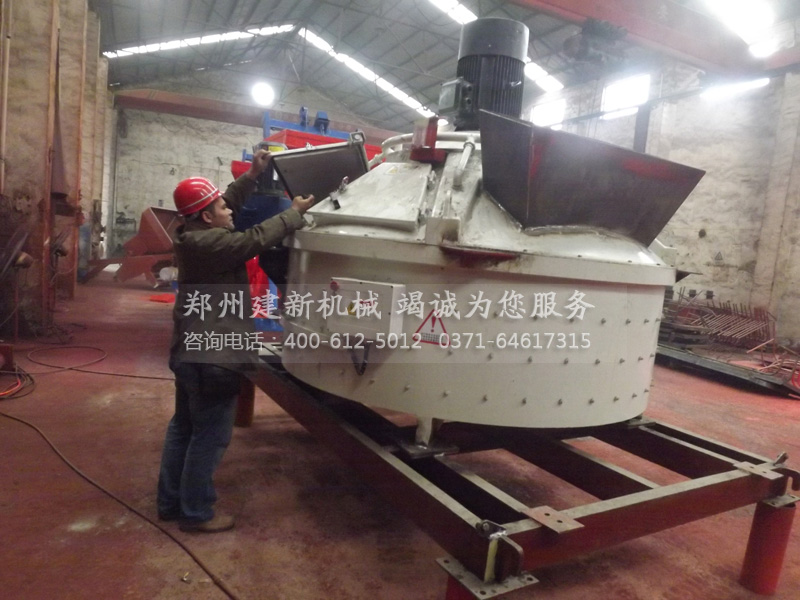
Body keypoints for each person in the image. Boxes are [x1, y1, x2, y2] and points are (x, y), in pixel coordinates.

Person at [157, 149, 314, 533]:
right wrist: (294, 213)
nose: (230, 209)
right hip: (213, 359)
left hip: (189, 352)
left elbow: (227, 201)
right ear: (207, 217)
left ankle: (170, 502)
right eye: (221, 207)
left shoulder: (193, 234)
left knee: (183, 428)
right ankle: (196, 513)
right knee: (209, 437)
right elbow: (256, 238)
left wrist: (253, 175)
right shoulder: (215, 246)